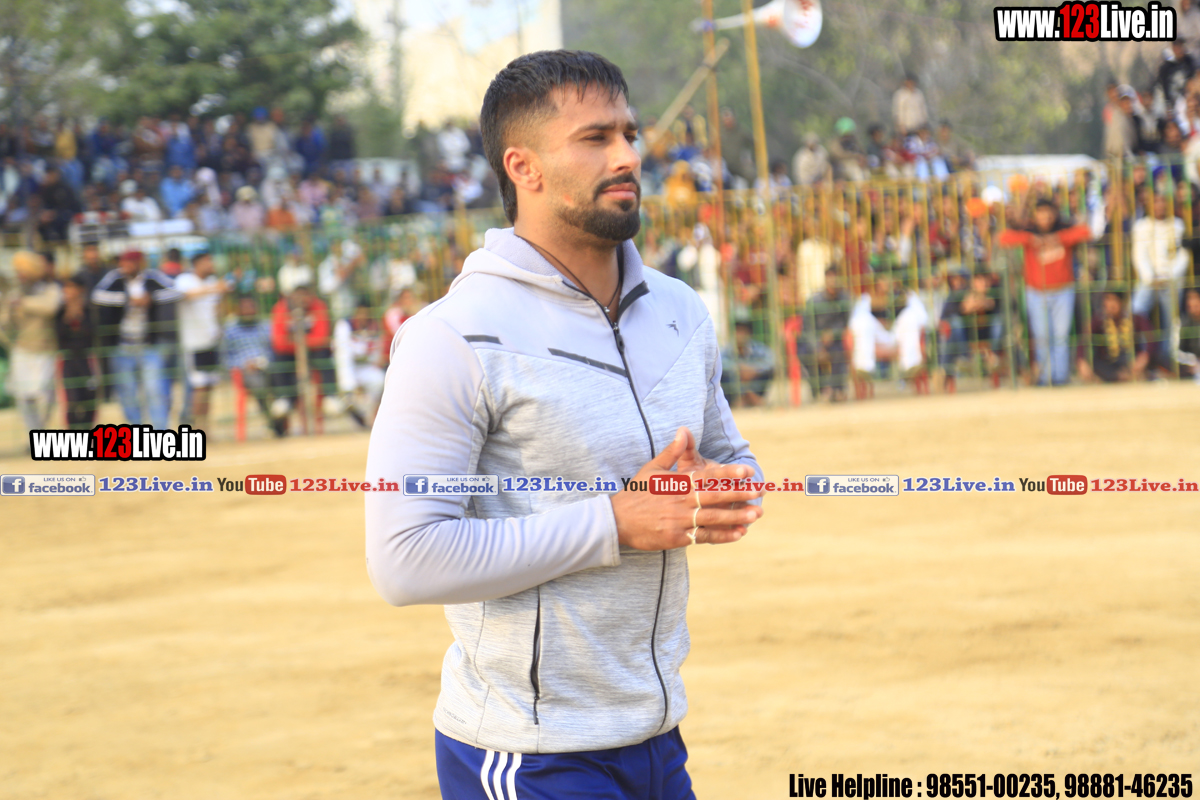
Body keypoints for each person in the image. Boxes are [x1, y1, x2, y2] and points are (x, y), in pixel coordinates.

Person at [364, 50, 765, 800]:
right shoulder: (454, 337)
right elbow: (404, 559)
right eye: (595, 138)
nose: (628, 157)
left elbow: (734, 460)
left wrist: (723, 489)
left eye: (629, 134)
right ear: (524, 168)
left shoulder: (680, 311)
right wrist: (615, 522)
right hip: (528, 752)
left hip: (656, 737)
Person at [997, 198, 1093, 386]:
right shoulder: (1029, 231)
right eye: (1041, 213)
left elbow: (1085, 232)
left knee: (1061, 336)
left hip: (1063, 290)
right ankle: (1045, 377)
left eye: (1048, 212)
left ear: (1055, 213)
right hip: (1036, 292)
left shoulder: (1063, 228)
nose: (1045, 217)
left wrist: (1058, 239)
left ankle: (1060, 376)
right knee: (1042, 337)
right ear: (1035, 215)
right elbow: (1004, 238)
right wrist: (1031, 240)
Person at [92, 249, 180, 429]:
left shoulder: (153, 277)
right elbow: (97, 295)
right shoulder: (114, 278)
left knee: (155, 390)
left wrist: (151, 298)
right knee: (127, 393)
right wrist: (127, 300)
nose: (125, 266)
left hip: (149, 346)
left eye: (129, 262)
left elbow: (176, 291)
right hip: (122, 347)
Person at [1, 252, 62, 432]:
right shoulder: (14, 294)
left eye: (23, 272)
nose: (20, 276)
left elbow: (50, 307)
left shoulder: (50, 289)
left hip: (46, 350)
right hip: (22, 350)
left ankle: (42, 429)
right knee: (23, 397)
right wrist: (9, 309)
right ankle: (34, 433)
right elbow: (5, 322)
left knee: (44, 395)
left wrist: (23, 303)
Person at [1131, 193, 1189, 363]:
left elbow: (1183, 256)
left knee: (1171, 319)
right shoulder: (1141, 226)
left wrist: (1169, 276)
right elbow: (1139, 255)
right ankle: (1142, 352)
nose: (1160, 205)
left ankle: (1167, 357)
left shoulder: (1178, 225)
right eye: (1156, 201)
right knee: (1136, 311)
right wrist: (1150, 277)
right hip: (1148, 280)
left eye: (1163, 201)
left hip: (1172, 280)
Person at [268, 280, 331, 437]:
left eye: (305, 296)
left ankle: (331, 395)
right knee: (277, 360)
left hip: (313, 353)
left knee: (325, 355)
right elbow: (279, 342)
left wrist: (298, 341)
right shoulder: (280, 309)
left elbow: (322, 338)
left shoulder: (319, 307)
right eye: (298, 296)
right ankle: (284, 398)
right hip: (288, 354)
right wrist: (300, 343)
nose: (302, 300)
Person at [174, 251, 227, 430]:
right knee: (199, 387)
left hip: (211, 341)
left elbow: (216, 308)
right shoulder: (184, 280)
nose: (211, 264)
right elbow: (185, 295)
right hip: (193, 343)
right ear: (197, 263)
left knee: (210, 386)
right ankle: (196, 427)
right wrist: (215, 289)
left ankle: (205, 426)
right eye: (208, 261)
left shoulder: (212, 282)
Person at [797, 267, 850, 401]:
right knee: (805, 353)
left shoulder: (845, 299)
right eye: (830, 278)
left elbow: (849, 323)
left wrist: (834, 334)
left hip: (836, 341)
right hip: (814, 341)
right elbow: (807, 329)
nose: (833, 282)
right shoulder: (813, 301)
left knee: (839, 352)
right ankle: (820, 390)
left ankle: (836, 390)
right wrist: (817, 346)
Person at [222, 294, 276, 424]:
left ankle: (278, 411)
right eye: (244, 307)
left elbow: (274, 350)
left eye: (251, 307)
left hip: (268, 367)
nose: (248, 311)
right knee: (258, 382)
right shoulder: (230, 330)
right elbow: (225, 358)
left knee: (282, 375)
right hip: (245, 371)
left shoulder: (266, 326)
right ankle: (272, 418)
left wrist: (263, 362)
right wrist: (243, 365)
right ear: (238, 310)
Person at [1077, 290, 1150, 383]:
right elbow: (1084, 340)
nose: (1111, 304)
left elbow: (1152, 337)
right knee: (1096, 363)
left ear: (1122, 302)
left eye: (1114, 300)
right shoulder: (1098, 320)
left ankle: (1130, 375)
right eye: (1107, 299)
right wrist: (1081, 361)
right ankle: (1121, 376)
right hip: (1108, 363)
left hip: (1130, 361)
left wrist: (1145, 356)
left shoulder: (1135, 319)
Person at [55, 274, 98, 429]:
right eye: (66, 287)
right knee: (71, 400)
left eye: (72, 287)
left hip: (86, 359)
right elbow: (59, 337)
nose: (68, 291)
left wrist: (80, 316)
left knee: (89, 397)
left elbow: (92, 334)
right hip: (68, 360)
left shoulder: (89, 310)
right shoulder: (60, 312)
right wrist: (67, 318)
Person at [720, 319, 776, 407]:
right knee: (724, 374)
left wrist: (753, 370)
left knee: (769, 372)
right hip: (734, 385)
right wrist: (738, 369)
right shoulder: (727, 349)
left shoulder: (758, 348)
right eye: (738, 331)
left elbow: (771, 362)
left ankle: (747, 398)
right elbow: (719, 363)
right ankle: (748, 397)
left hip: (754, 383)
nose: (740, 335)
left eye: (743, 331)